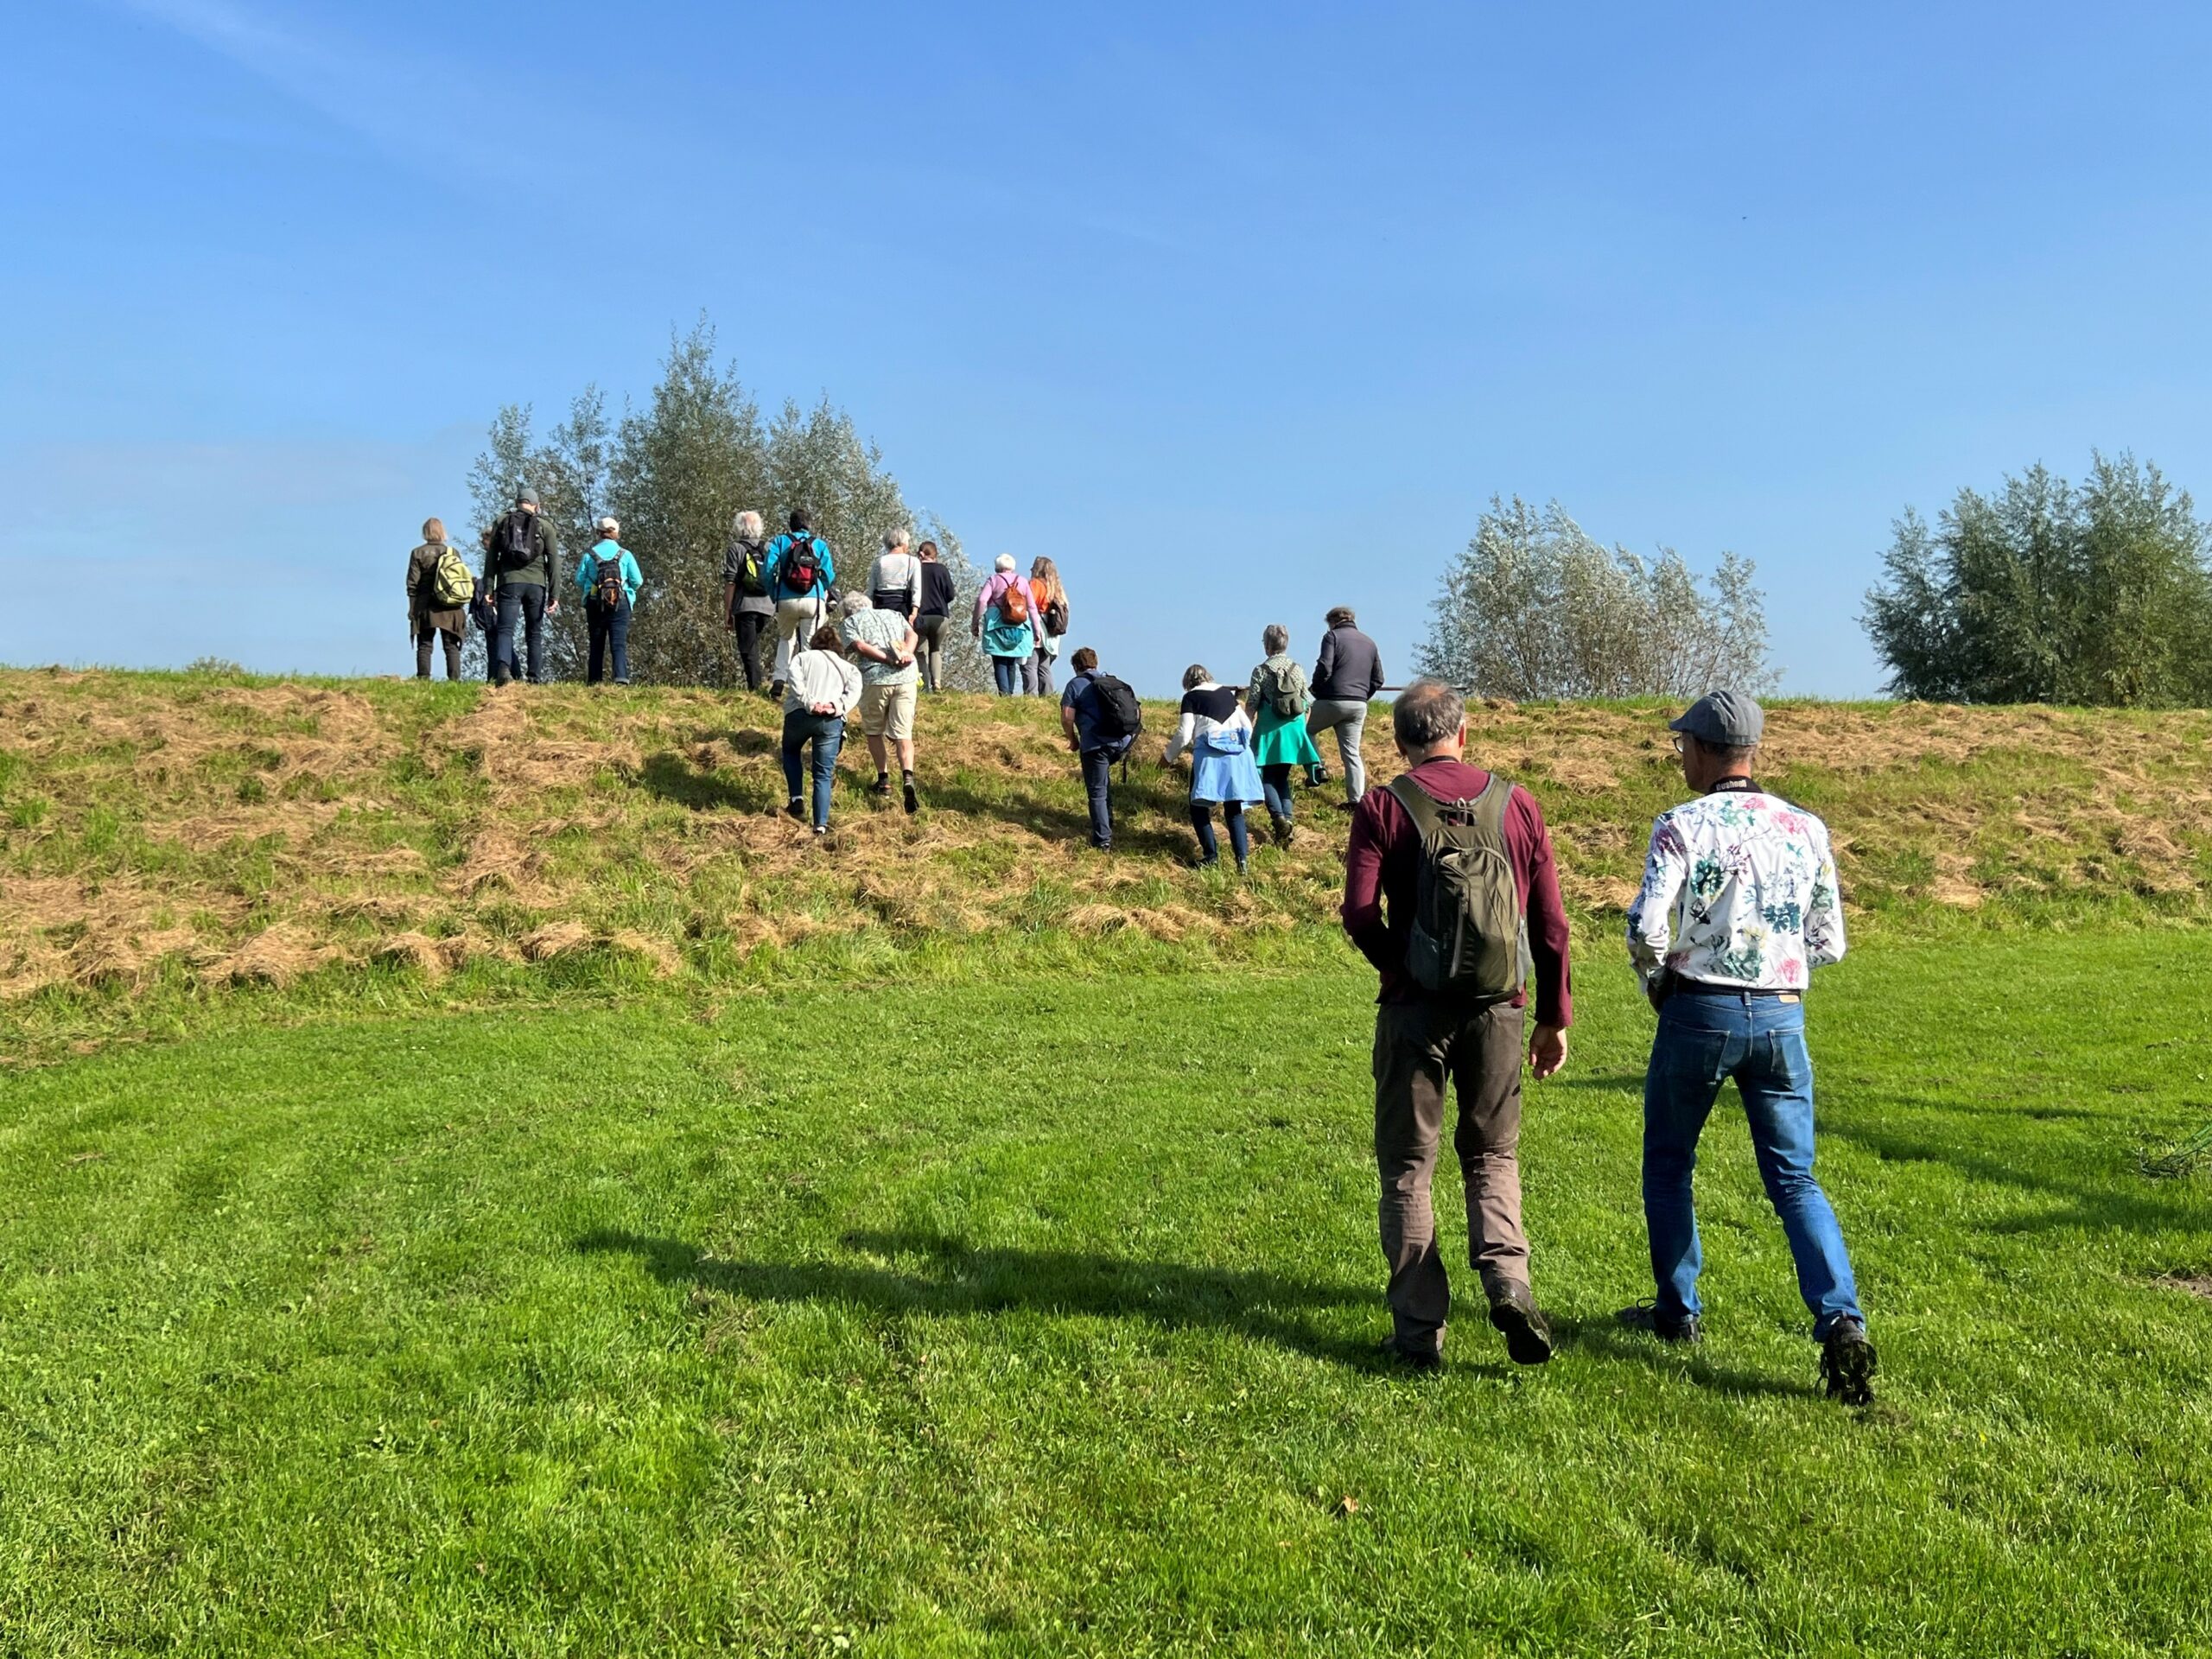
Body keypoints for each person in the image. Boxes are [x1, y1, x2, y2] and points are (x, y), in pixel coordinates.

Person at [1622, 690, 1875, 1404]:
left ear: (1702, 749)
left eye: (1683, 747)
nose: (1680, 758)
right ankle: (1841, 1317)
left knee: (1670, 1164)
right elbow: (1830, 941)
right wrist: (1777, 971)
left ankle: (1678, 1312)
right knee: (1795, 1178)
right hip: (1783, 1018)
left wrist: (1656, 979)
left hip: (1699, 1011)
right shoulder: (1806, 827)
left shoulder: (1681, 824)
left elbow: (1647, 926)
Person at [1341, 677, 1573, 1371]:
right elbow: (1551, 925)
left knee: (1409, 1170)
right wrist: (1553, 1017)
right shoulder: (1518, 804)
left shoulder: (1384, 804)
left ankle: (1419, 1337)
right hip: (1500, 1010)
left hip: (1414, 1012)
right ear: (1463, 732)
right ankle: (1507, 1284)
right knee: (1492, 1157)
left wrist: (1400, 970)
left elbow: (1357, 913)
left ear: (1397, 740)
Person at [1162, 664, 1262, 873]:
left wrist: (1167, 758)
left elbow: (1184, 734)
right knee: (1233, 810)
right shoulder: (1227, 694)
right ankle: (1242, 862)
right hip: (1237, 756)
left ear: (1187, 683)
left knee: (1198, 807)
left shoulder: (1190, 698)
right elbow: (1247, 725)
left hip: (1210, 756)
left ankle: (1211, 856)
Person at [839, 588, 922, 813]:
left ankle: (883, 780)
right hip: (906, 678)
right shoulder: (893, 614)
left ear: (847, 612)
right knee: (904, 734)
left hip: (875, 679)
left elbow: (859, 646)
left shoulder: (850, 623)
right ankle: (907, 776)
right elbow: (912, 634)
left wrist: (887, 659)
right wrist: (906, 653)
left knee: (874, 731)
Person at [780, 623, 861, 836]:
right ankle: (820, 825)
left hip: (799, 715)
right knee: (823, 774)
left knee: (790, 751)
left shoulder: (801, 658)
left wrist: (810, 703)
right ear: (838, 646)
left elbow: (795, 681)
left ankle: (796, 798)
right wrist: (836, 707)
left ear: (814, 642)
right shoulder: (849, 668)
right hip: (830, 721)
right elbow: (854, 692)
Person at [1247, 624, 1325, 847]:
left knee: (1266, 777)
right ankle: (1287, 823)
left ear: (1267, 645)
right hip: (1293, 730)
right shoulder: (1297, 668)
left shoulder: (1261, 671)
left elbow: (1252, 703)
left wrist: (1246, 729)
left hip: (1270, 731)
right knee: (1282, 776)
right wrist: (1301, 729)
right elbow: (1307, 702)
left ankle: (1279, 819)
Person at [1059, 646, 1140, 851]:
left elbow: (1067, 717)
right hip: (1121, 742)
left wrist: (1072, 739)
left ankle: (1102, 839)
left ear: (1077, 666)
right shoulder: (1111, 681)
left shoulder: (1075, 685)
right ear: (1095, 663)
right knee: (1103, 783)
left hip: (1095, 744)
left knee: (1096, 792)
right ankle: (1108, 821)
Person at [1306, 605, 1385, 806]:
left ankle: (1317, 768)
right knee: (1352, 753)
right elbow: (1378, 679)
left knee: (1305, 729)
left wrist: (1315, 689)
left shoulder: (1332, 637)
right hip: (1358, 704)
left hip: (1333, 699)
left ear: (1332, 622)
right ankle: (1356, 801)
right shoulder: (1370, 643)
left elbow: (1325, 666)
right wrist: (1362, 696)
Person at [486, 486, 559, 686]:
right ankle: (534, 677)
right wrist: (555, 594)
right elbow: (554, 562)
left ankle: (503, 670)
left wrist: (488, 588)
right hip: (536, 585)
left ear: (517, 502)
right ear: (537, 506)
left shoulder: (502, 521)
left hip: (509, 582)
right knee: (534, 631)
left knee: (505, 628)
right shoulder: (545, 527)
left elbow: (491, 557)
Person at [764, 509, 836, 696]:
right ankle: (807, 686)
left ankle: (779, 681)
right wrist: (825, 591)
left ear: (791, 524)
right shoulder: (819, 544)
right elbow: (829, 573)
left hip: (785, 599)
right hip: (813, 599)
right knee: (808, 644)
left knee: (786, 638)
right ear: (809, 524)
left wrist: (774, 593)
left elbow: (767, 571)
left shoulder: (780, 541)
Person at [575, 517, 642, 686]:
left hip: (595, 601)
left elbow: (579, 580)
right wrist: (627, 590)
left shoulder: (589, 555)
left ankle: (594, 681)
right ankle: (620, 678)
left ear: (598, 533)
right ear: (616, 533)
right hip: (620, 602)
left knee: (596, 643)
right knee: (618, 643)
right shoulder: (625, 555)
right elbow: (638, 581)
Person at [404, 518, 469, 680]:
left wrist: (412, 608)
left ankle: (424, 679)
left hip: (426, 604)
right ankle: (454, 680)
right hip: (450, 605)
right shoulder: (452, 552)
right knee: (451, 646)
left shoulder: (417, 553)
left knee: (425, 645)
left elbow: (412, 583)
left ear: (425, 532)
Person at [722, 510, 775, 693]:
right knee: (753, 645)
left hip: (745, 606)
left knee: (748, 649)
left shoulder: (736, 548)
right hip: (768, 606)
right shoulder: (768, 547)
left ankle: (756, 688)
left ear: (739, 528)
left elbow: (731, 581)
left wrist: (728, 610)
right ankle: (760, 684)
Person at [972, 554, 1037, 696]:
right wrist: (1037, 631)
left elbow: (982, 600)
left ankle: (1004, 694)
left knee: (1000, 661)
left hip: (996, 625)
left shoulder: (993, 580)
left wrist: (975, 622)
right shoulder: (1023, 581)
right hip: (1018, 625)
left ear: (997, 567)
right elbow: (1032, 607)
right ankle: (1010, 694)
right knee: (1011, 663)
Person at [913, 540, 957, 692]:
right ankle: (937, 683)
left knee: (920, 652)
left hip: (920, 615)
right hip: (940, 616)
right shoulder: (942, 569)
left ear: (920, 554)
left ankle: (924, 686)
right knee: (935, 649)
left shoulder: (915, 569)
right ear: (935, 555)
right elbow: (951, 594)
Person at [1025, 556, 1070, 696]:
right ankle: (1047, 696)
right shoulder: (1057, 589)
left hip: (1037, 629)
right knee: (1044, 667)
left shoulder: (1036, 584)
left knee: (1030, 665)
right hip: (1052, 634)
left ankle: (1030, 697)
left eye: (1033, 566)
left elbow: (1028, 605)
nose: (1031, 569)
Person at [868, 528, 924, 622]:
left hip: (881, 605)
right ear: (903, 542)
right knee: (909, 636)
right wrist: (914, 612)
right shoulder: (913, 561)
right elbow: (916, 589)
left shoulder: (878, 562)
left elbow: (871, 589)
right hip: (901, 604)